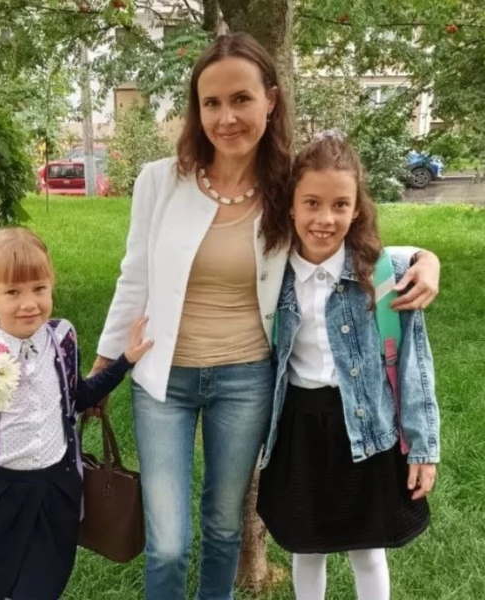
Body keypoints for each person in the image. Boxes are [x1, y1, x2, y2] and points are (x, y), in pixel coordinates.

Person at [92, 33, 440, 600]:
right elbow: (134, 277)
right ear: (196, 109)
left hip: (245, 379)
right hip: (163, 378)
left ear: (270, 100)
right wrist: (103, 369)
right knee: (169, 543)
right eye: (211, 103)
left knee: (224, 527)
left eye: (241, 99)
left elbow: (341, 238)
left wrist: (426, 258)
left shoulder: (285, 188)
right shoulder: (159, 181)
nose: (226, 117)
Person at [256, 133, 440, 600]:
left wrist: (423, 448)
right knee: (306, 547)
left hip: (365, 424)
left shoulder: (383, 274)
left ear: (357, 209)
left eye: (340, 204)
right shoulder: (271, 274)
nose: (325, 218)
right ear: (291, 206)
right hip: (300, 428)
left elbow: (415, 364)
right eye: (312, 203)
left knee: (368, 549)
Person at [0, 226, 151, 600]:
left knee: (45, 583)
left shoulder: (62, 339)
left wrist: (125, 361)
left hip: (56, 485)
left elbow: (79, 397)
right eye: (13, 292)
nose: (30, 303)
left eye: (39, 288)